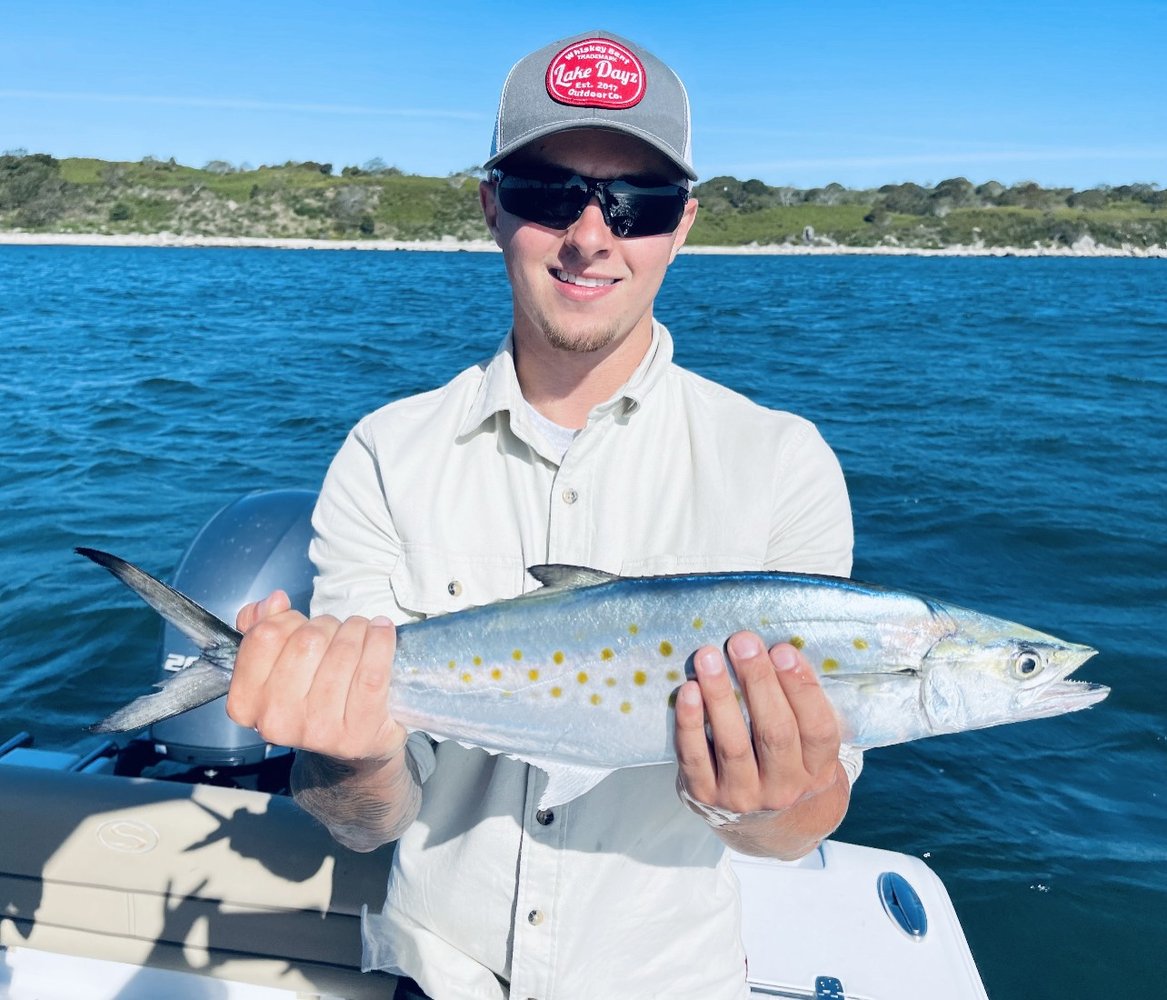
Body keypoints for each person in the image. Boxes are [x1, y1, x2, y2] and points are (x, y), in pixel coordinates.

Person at [226, 30, 858, 1000]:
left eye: (635, 203)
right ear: (491, 206)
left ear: (682, 223)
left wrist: (768, 801)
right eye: (548, 191)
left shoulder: (782, 464)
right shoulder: (384, 455)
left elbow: (797, 829)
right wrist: (341, 752)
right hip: (436, 974)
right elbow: (366, 818)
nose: (592, 234)